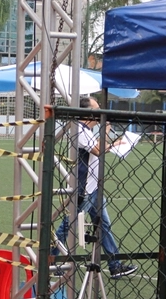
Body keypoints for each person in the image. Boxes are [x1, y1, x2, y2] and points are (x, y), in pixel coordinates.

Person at [54, 96, 137, 279]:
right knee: (68, 225)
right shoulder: (80, 130)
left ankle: (114, 265)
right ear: (88, 112)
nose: (100, 111)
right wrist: (114, 141)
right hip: (85, 190)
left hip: (94, 188)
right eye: (97, 108)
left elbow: (99, 147)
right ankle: (51, 260)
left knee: (103, 225)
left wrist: (106, 132)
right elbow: (98, 150)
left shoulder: (87, 131)